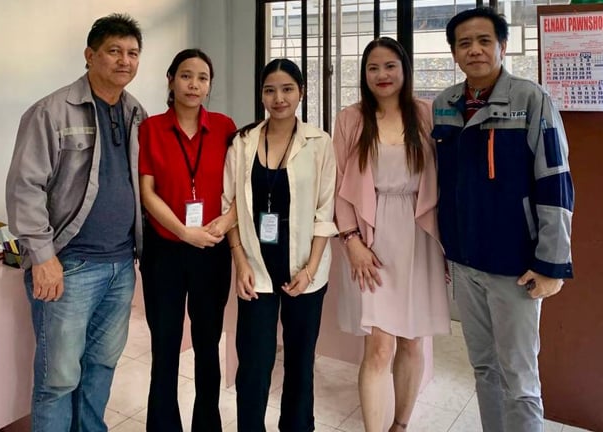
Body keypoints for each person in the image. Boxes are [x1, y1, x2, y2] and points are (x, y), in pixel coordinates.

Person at [433, 7, 574, 431]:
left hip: (515, 267)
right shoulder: (444, 105)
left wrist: (551, 264)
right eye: (464, 43)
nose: (474, 50)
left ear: (502, 46)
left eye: (484, 41)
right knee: (484, 368)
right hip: (465, 262)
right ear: (454, 53)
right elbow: (442, 185)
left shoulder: (531, 99)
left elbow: (556, 180)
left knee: (520, 378)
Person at [5, 13, 146, 432]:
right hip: (69, 266)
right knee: (59, 379)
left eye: (133, 53)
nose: (124, 61)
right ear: (90, 55)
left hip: (121, 265)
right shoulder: (51, 112)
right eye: (114, 51)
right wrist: (42, 256)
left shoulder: (136, 112)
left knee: (101, 367)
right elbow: (25, 187)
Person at [333, 37, 450, 431]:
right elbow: (338, 185)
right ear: (363, 75)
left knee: (413, 341)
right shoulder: (351, 118)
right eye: (373, 68)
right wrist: (351, 240)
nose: (381, 75)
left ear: (404, 70)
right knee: (379, 346)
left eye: (389, 66)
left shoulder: (426, 113)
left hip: (419, 234)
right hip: (371, 237)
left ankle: (399, 425)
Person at [222, 58, 338, 432]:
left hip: (305, 268)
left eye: (287, 89)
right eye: (270, 90)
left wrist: (311, 269)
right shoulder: (242, 142)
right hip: (255, 268)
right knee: (254, 364)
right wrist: (240, 261)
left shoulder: (319, 142)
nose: (279, 98)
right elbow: (229, 206)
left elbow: (325, 210)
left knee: (300, 362)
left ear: (300, 92)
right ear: (261, 95)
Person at [138, 48, 237, 432]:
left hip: (211, 251)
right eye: (185, 76)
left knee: (208, 346)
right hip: (165, 251)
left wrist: (224, 222)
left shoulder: (225, 128)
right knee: (165, 347)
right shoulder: (151, 129)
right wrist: (183, 231)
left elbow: (239, 186)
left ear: (209, 85)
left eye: (202, 78)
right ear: (170, 80)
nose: (194, 84)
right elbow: (147, 192)